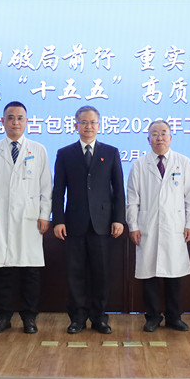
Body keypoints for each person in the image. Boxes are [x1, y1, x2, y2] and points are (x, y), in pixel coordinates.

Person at [0, 101, 52, 335]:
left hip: (30, 219)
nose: (15, 122)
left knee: (30, 272)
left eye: (20, 118)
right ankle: (3, 317)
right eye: (10, 118)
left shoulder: (38, 149)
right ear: (2, 122)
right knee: (3, 271)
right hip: (0, 218)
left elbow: (46, 187)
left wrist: (45, 215)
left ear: (27, 122)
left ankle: (29, 318)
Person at [52, 105, 126, 334]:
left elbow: (119, 189)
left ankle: (99, 318)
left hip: (102, 224)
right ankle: (77, 318)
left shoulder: (111, 152)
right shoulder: (65, 153)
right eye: (83, 122)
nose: (88, 126)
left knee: (101, 274)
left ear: (99, 125)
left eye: (92, 122)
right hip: (73, 223)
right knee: (75, 274)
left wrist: (119, 219)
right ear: (76, 125)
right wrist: (58, 220)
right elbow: (58, 190)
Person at [126, 120, 190, 332]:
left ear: (171, 137)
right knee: (149, 275)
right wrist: (133, 225)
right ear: (148, 139)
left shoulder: (183, 162)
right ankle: (152, 317)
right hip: (147, 227)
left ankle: (174, 317)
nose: (159, 138)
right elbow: (132, 199)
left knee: (173, 275)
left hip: (175, 227)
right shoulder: (139, 165)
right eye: (155, 134)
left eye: (164, 133)